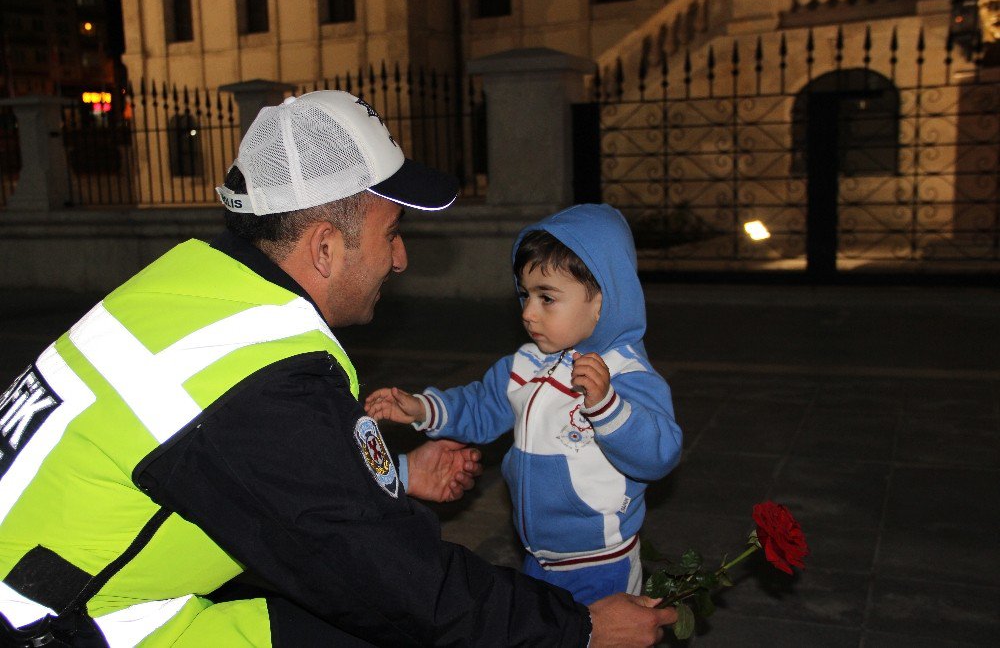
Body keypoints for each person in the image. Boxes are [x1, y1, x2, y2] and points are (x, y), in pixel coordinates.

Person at [0, 90, 676, 646]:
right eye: (391, 235)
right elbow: (387, 576)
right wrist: (577, 628)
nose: (402, 259)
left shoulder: (193, 284)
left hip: (64, 586)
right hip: (52, 626)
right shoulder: (264, 380)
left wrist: (400, 475)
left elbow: (257, 473)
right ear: (325, 248)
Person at [366, 203, 684, 606]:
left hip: (602, 563)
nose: (529, 313)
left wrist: (607, 407)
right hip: (538, 557)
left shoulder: (625, 375)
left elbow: (659, 454)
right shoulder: (527, 362)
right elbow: (481, 406)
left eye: (547, 298)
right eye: (524, 294)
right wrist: (423, 410)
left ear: (603, 300)